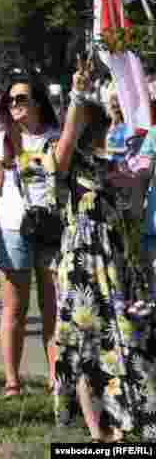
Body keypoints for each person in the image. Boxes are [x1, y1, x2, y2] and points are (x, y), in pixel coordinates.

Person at [52, 61, 156, 441]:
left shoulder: (108, 166)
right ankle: (96, 431)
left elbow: (133, 203)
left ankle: (120, 420)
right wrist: (78, 94)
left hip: (113, 263)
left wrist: (141, 171)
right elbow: (63, 146)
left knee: (121, 340)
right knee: (84, 347)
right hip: (81, 265)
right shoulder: (66, 165)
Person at [0, 76, 62, 397]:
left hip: (51, 231)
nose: (14, 105)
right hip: (12, 230)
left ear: (38, 102)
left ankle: (56, 378)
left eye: (22, 99)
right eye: (11, 100)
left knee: (52, 307)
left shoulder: (56, 138)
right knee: (15, 308)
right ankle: (12, 381)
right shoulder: (2, 139)